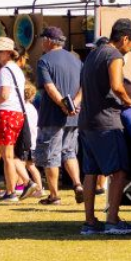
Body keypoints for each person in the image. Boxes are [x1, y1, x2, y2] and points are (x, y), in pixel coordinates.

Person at [78, 19, 131, 235]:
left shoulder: (94, 53)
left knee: (90, 172)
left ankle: (89, 222)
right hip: (106, 121)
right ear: (125, 38)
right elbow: (117, 86)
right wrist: (129, 103)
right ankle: (113, 220)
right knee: (118, 170)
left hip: (87, 121)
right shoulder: (114, 55)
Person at [33, 26, 82, 205]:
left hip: (52, 116)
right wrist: (74, 104)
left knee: (51, 155)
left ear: (48, 40)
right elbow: (84, 86)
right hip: (74, 115)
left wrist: (63, 104)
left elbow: (49, 87)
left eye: (42, 39)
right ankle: (77, 184)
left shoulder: (44, 61)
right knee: (69, 152)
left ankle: (54, 195)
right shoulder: (76, 60)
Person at [0, 37, 29, 202]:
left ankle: (11, 191)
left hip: (6, 113)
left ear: (9, 53)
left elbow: (4, 95)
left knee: (7, 156)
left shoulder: (5, 70)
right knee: (8, 155)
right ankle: (19, 186)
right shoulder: (16, 69)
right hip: (16, 114)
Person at [18, 80, 44, 199]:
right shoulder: (32, 108)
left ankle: (18, 186)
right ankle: (39, 188)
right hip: (33, 142)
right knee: (31, 166)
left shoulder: (21, 108)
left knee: (20, 164)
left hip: (25, 141)